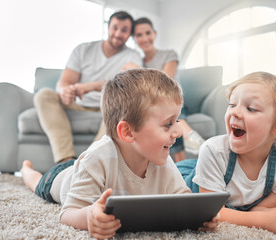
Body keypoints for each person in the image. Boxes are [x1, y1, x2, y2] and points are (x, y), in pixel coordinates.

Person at [20, 69, 220, 239]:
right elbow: (67, 214)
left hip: (84, 169)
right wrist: (89, 215)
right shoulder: (97, 158)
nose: (177, 132)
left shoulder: (161, 158)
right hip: (61, 178)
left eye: (177, 121)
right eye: (168, 124)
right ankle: (26, 170)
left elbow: (183, 200)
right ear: (127, 132)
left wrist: (200, 217)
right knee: (38, 182)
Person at [177, 72, 276, 235]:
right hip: (189, 179)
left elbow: (261, 209)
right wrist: (267, 221)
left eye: (251, 108)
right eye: (232, 104)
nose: (235, 112)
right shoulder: (213, 150)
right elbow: (212, 213)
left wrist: (271, 215)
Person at [34, 11, 142, 164]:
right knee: (43, 95)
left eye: (124, 30)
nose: (118, 33)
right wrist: (64, 91)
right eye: (115, 28)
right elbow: (64, 82)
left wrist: (89, 86)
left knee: (124, 105)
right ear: (108, 27)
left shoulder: (133, 57)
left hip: (109, 106)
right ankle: (66, 160)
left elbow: (125, 86)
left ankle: (88, 162)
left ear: (129, 34)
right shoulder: (83, 50)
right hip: (77, 104)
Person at [123, 17, 205, 161]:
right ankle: (189, 138)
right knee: (162, 113)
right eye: (139, 35)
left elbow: (165, 83)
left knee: (169, 107)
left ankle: (188, 139)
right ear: (135, 39)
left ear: (154, 34)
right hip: (154, 106)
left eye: (148, 33)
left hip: (174, 100)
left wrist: (138, 71)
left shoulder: (169, 54)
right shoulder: (138, 61)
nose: (144, 38)